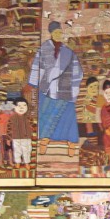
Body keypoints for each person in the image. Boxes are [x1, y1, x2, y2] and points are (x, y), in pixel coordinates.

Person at [26, 20, 83, 158]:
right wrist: (33, 84)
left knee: (68, 118)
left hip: (65, 91)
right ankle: (44, 142)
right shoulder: (44, 49)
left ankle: (71, 145)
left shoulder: (69, 52)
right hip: (47, 90)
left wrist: (74, 86)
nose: (58, 35)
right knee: (46, 116)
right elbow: (36, 67)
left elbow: (78, 71)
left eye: (60, 32)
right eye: (56, 32)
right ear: (51, 33)